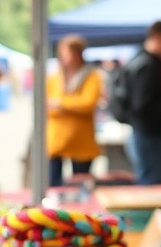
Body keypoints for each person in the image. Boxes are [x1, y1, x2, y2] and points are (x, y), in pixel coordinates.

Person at [123, 21, 161, 185]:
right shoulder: (148, 65)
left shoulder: (142, 61)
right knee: (152, 186)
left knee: (150, 182)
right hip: (149, 136)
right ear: (160, 37)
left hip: (146, 135)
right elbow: (143, 105)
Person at [46, 35, 101, 187]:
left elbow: (87, 104)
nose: (64, 57)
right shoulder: (55, 77)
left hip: (81, 141)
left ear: (78, 54)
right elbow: (47, 105)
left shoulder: (92, 76)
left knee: (79, 186)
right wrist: (68, 105)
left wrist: (61, 104)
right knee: (53, 185)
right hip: (56, 141)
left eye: (67, 53)